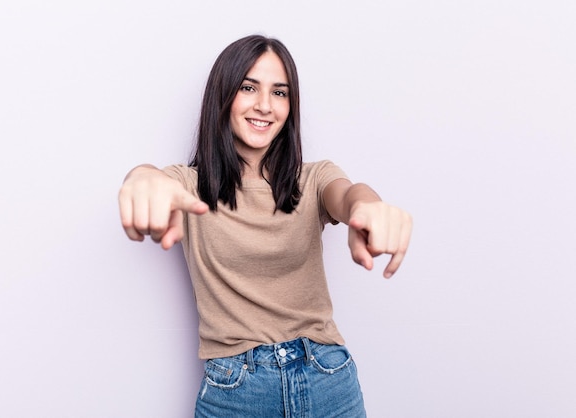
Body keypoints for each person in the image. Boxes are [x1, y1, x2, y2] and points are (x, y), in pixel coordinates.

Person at [118, 34, 412, 417]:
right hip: (236, 390)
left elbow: (348, 194)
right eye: (248, 87)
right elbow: (151, 178)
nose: (264, 105)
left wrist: (369, 205)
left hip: (327, 376)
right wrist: (141, 178)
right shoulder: (190, 186)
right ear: (223, 95)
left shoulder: (313, 179)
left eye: (280, 92)